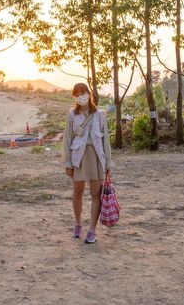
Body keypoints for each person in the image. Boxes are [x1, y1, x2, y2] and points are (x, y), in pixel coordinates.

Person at [63, 82, 112, 244]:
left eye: (82, 93)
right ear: (74, 97)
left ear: (89, 94)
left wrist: (108, 164)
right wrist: (68, 163)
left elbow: (106, 140)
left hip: (96, 156)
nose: (80, 97)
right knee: (78, 191)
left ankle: (92, 229)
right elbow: (67, 139)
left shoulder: (100, 114)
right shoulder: (72, 114)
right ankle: (77, 224)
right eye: (76, 95)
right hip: (79, 156)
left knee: (95, 195)